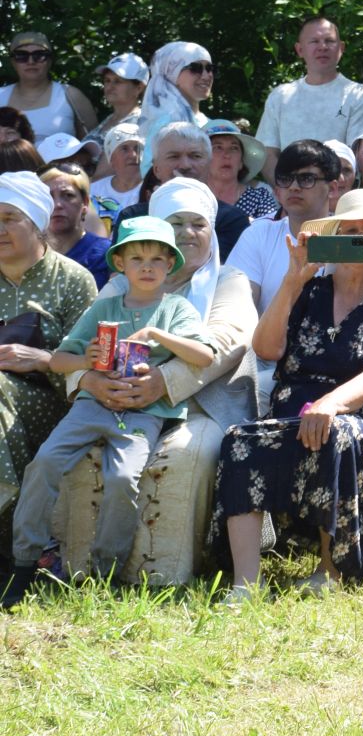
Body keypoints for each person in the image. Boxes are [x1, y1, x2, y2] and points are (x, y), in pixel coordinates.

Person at [213, 189, 363, 602]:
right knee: (239, 441)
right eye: (351, 232)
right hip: (296, 412)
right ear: (334, 238)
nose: (362, 240)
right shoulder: (308, 294)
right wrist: (292, 281)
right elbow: (266, 349)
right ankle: (245, 584)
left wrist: (329, 404)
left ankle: (330, 570)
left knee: (336, 432)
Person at [55, 177, 260, 586]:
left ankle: (159, 575)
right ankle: (86, 572)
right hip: (117, 402)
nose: (187, 233)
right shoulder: (122, 282)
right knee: (86, 452)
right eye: (175, 223)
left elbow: (225, 343)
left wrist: (161, 383)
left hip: (205, 406)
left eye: (198, 224)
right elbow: (84, 340)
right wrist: (88, 383)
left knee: (185, 455)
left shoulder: (228, 279)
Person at [11, 217, 214, 585]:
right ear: (120, 264)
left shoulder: (177, 309)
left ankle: (103, 572)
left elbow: (204, 356)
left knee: (122, 478)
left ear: (171, 264)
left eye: (157, 259)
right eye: (137, 259)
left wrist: (157, 334)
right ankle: (24, 562)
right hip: (90, 406)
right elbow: (59, 360)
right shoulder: (104, 308)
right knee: (44, 463)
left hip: (143, 413)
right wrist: (87, 360)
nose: (147, 267)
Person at [0, 173, 100, 523]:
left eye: (9, 218)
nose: (0, 229)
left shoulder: (73, 280)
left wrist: (42, 360)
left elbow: (88, 367)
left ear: (37, 222)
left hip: (55, 405)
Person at [254, 17, 363, 180]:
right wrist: (286, 189)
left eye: (329, 41)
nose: (322, 47)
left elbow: (360, 157)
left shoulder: (358, 95)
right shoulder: (280, 96)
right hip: (290, 196)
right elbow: (268, 152)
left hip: (339, 196)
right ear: (299, 50)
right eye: (314, 41)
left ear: (341, 48)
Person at [226, 140, 343, 308]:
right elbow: (237, 310)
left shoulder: (349, 238)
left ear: (332, 189)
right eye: (285, 179)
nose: (294, 187)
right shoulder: (258, 234)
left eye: (306, 178)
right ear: (277, 190)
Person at [114, 123, 251, 258]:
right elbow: (119, 275)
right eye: (174, 156)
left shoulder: (232, 220)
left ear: (209, 166)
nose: (185, 165)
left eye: (195, 156)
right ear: (156, 169)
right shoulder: (133, 218)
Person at [0, 32, 98, 141]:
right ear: (13, 62)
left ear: (50, 60)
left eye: (39, 55)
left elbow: (93, 146)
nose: (31, 61)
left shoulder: (71, 96)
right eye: (21, 56)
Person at [136, 42, 215, 173]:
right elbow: (150, 173)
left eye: (210, 68)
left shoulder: (209, 122)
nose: (207, 75)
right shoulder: (164, 123)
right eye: (195, 68)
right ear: (172, 72)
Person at [40, 163, 111, 287]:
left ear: (85, 203)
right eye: (48, 196)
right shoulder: (26, 253)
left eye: (68, 196)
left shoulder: (106, 255)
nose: (57, 205)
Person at [205, 120, 279, 220]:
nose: (227, 155)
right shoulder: (191, 195)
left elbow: (269, 231)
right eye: (218, 148)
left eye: (234, 148)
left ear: (241, 162)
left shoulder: (260, 198)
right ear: (203, 158)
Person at [84, 52, 147, 158]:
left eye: (118, 81)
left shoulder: (141, 123)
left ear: (139, 88)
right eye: (107, 80)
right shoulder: (109, 119)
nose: (110, 86)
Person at [91, 123, 144, 219]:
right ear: (111, 159)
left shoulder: (151, 191)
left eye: (137, 148)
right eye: (124, 149)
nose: (133, 155)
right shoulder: (93, 191)